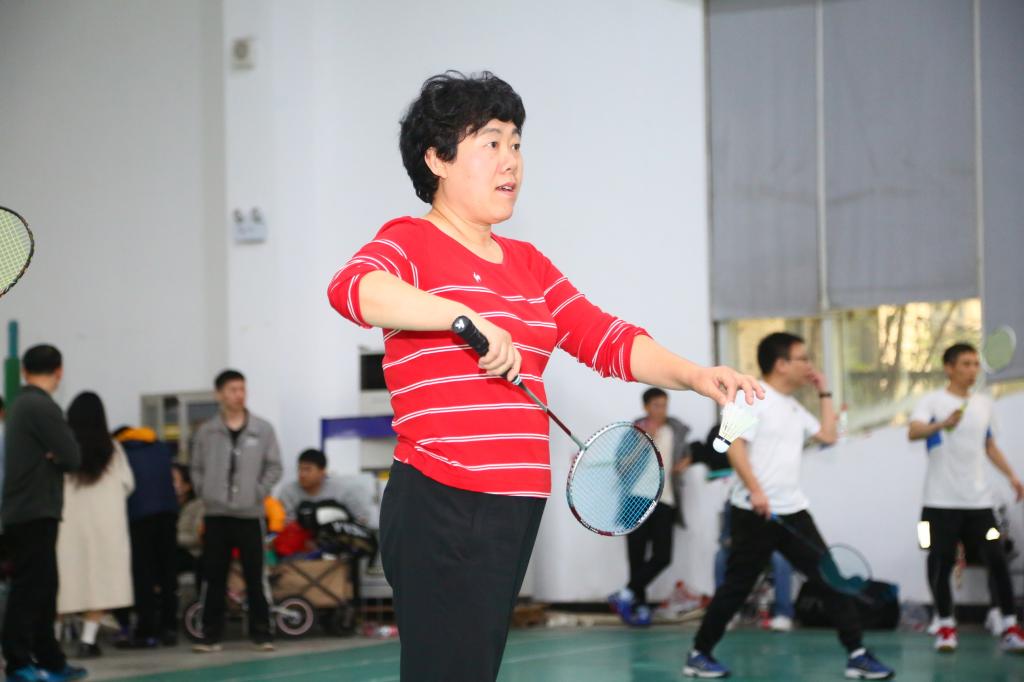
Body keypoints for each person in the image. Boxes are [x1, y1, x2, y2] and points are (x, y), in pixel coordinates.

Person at [326, 71, 762, 682]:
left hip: (515, 503)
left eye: (516, 143)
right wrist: (461, 317)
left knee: (473, 670)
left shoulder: (527, 264)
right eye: (491, 143)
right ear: (437, 159)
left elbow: (605, 338)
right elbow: (351, 288)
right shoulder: (412, 241)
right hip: (442, 497)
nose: (511, 161)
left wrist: (695, 374)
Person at [684, 332, 894, 679]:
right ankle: (699, 653)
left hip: (793, 512)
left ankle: (857, 653)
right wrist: (756, 491)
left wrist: (824, 391)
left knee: (831, 578)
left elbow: (828, 436)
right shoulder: (752, 398)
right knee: (737, 587)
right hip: (754, 512)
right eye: (803, 358)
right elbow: (734, 445)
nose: (809, 365)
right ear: (781, 364)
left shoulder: (793, 407)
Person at [908, 342, 1024, 654]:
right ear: (949, 368)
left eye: (975, 364)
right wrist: (941, 424)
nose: (972, 370)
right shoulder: (932, 401)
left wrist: (1012, 476)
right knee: (939, 562)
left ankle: (1010, 626)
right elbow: (913, 432)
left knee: (997, 558)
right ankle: (945, 625)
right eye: (965, 364)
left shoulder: (984, 404)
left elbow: (989, 446)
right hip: (938, 503)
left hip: (980, 505)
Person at [1, 344, 87, 682]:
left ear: (24, 371)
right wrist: (57, 455)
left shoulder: (21, 405)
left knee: (45, 588)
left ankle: (50, 660)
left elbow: (62, 453)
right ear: (59, 371)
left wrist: (55, 454)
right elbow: (73, 456)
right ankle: (18, 662)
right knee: (31, 589)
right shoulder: (42, 406)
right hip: (34, 510)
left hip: (25, 510)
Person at [190, 369, 282, 653]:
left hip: (250, 514)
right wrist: (206, 492)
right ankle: (210, 635)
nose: (239, 395)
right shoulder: (207, 431)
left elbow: (274, 466)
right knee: (214, 576)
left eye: (242, 389)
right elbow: (196, 468)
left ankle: (262, 633)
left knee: (255, 575)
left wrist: (257, 492)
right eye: (232, 390)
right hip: (216, 515)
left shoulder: (262, 429)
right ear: (219, 394)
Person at [57, 392, 135, 658]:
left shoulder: (62, 449)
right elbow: (128, 485)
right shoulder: (114, 450)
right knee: (101, 583)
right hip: (106, 528)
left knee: (64, 584)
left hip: (67, 529)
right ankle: (88, 640)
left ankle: (53, 640)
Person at [608, 388, 691, 626]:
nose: (661, 410)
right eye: (656, 405)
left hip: (665, 499)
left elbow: (686, 453)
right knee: (636, 557)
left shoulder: (676, 430)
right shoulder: (634, 431)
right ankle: (639, 606)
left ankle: (625, 594)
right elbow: (621, 467)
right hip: (636, 498)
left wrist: (686, 461)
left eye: (664, 405)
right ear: (646, 407)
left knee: (663, 556)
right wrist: (644, 442)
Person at [116, 425, 180, 648]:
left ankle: (146, 630)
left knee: (142, 575)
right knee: (167, 574)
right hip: (168, 514)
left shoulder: (120, 451)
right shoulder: (160, 446)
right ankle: (170, 628)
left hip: (138, 516)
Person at [713, 500, 796, 631]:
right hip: (743, 548)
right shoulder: (733, 503)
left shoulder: (779, 502)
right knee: (721, 556)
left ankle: (783, 614)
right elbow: (725, 538)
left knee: (781, 558)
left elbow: (785, 537)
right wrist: (735, 542)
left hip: (770, 548)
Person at [277, 448, 373, 526]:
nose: (302, 474)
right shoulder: (288, 492)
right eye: (300, 469)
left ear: (322, 471)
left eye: (307, 469)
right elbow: (285, 524)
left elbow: (362, 518)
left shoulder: (340, 491)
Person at [172, 463, 205, 588]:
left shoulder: (198, 506)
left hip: (191, 554)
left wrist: (171, 538)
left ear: (187, 486)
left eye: (173, 480)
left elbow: (197, 537)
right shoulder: (170, 507)